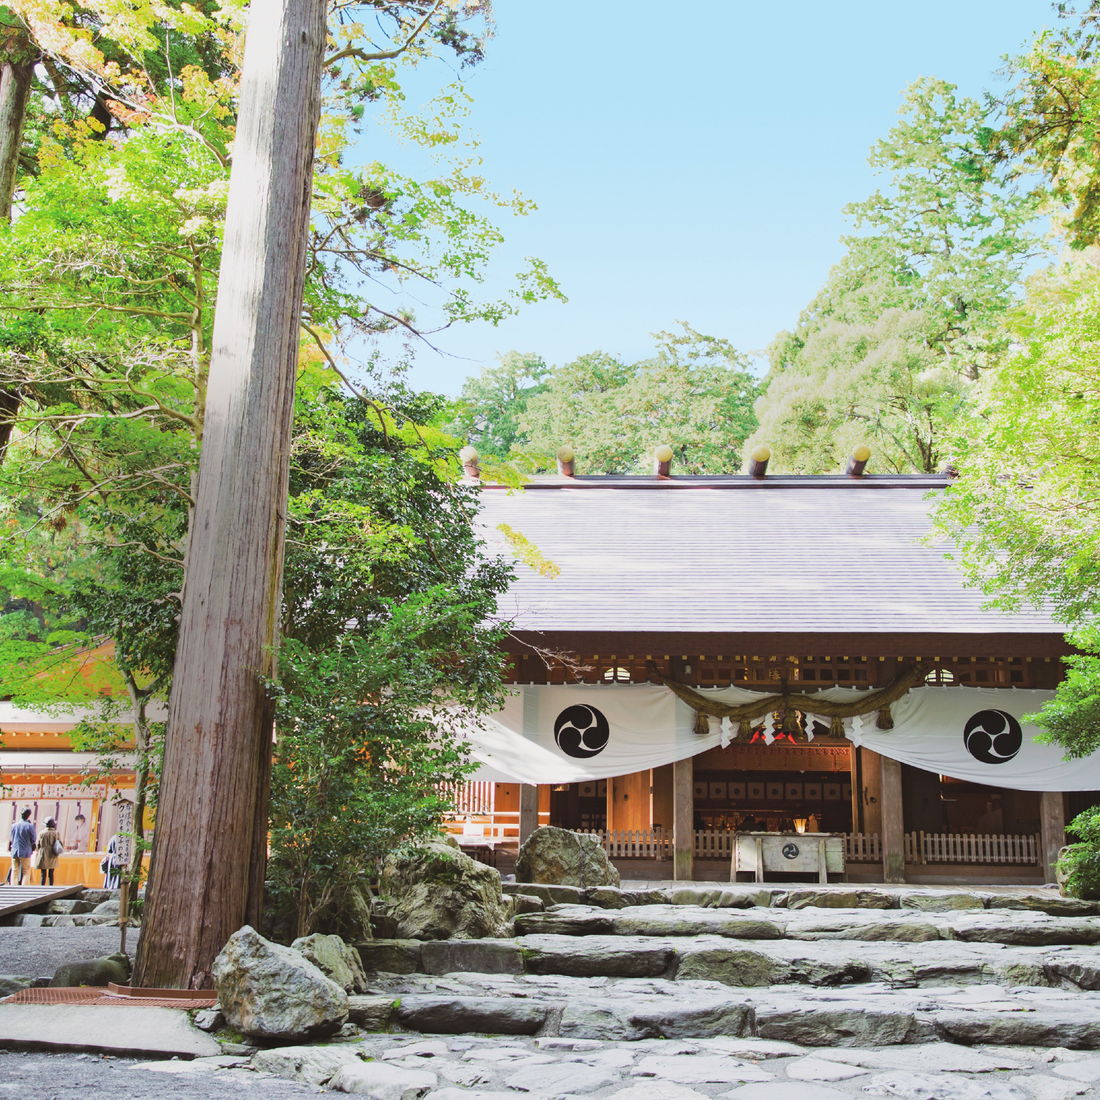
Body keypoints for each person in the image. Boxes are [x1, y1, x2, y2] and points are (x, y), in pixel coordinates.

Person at [8, 808, 36, 886]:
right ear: (28, 816)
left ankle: (13, 887)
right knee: (26, 871)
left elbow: (11, 838)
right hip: (26, 851)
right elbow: (33, 839)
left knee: (14, 870)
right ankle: (24, 887)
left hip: (15, 850)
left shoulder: (14, 825)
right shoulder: (30, 826)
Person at [36, 818, 63, 887]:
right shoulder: (56, 833)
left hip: (43, 854)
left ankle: (42, 887)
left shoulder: (41, 833)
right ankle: (51, 886)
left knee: (43, 873)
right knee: (51, 872)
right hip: (53, 854)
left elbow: (38, 844)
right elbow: (60, 844)